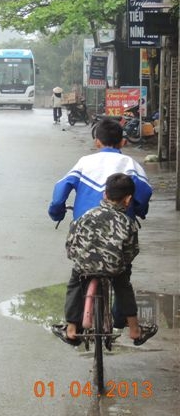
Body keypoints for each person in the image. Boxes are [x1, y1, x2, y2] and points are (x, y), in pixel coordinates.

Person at [48, 119, 155, 345]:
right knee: (122, 277)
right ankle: (129, 325)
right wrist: (139, 210)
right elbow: (144, 194)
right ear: (123, 142)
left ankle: (71, 327)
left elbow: (60, 192)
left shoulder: (84, 163)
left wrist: (57, 212)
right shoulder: (130, 164)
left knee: (77, 276)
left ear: (97, 142)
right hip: (119, 232)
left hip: (85, 232)